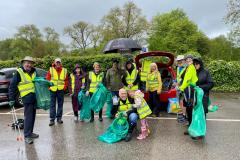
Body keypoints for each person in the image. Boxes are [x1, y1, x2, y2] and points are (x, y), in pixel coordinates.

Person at [8, 56, 39, 144]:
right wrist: (11, 99)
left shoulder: (34, 71)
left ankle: (30, 132)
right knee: (28, 117)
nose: (28, 64)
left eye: (30, 63)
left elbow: (38, 82)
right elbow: (12, 86)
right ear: (23, 63)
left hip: (34, 97)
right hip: (26, 97)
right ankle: (27, 136)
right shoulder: (19, 72)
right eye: (27, 62)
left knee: (33, 116)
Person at [178, 55, 198, 135]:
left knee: (189, 108)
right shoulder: (187, 68)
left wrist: (181, 88)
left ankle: (191, 127)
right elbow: (182, 76)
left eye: (190, 59)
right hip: (187, 89)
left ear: (192, 60)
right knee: (187, 107)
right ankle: (190, 126)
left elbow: (187, 79)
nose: (188, 60)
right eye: (187, 59)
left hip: (189, 89)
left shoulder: (191, 67)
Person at [46, 58, 68, 126]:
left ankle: (59, 118)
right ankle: (52, 119)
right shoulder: (51, 69)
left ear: (60, 63)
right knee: (52, 105)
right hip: (52, 90)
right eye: (57, 62)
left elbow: (66, 80)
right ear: (54, 63)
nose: (58, 64)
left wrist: (65, 87)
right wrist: (49, 87)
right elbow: (48, 79)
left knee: (60, 105)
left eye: (59, 62)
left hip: (60, 90)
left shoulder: (64, 70)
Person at [174, 55, 188, 124]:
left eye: (181, 60)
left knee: (183, 102)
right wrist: (175, 82)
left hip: (184, 87)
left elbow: (185, 79)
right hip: (178, 87)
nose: (179, 62)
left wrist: (179, 84)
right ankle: (182, 115)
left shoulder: (186, 68)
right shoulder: (178, 67)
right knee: (179, 101)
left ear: (184, 61)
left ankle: (184, 116)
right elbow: (178, 77)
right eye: (178, 61)